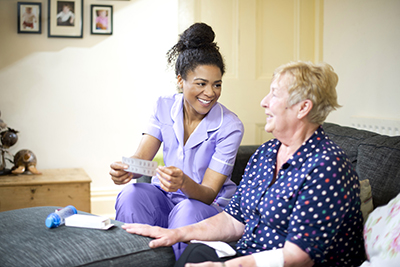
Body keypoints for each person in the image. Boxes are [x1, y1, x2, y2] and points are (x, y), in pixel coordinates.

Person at [121, 61, 366, 267]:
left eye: (274, 94)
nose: (264, 102)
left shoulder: (327, 167)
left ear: (303, 108)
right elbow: (233, 219)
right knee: (193, 257)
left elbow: (299, 256)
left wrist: (226, 266)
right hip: (248, 256)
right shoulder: (266, 154)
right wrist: (176, 234)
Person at [109, 23, 244, 260]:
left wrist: (183, 182)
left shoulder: (230, 125)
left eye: (217, 84)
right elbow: (142, 158)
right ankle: (138, 261)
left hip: (205, 208)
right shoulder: (163, 105)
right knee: (132, 194)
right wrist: (126, 170)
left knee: (187, 209)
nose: (210, 92)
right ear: (181, 80)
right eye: (201, 83)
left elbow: (208, 194)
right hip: (166, 198)